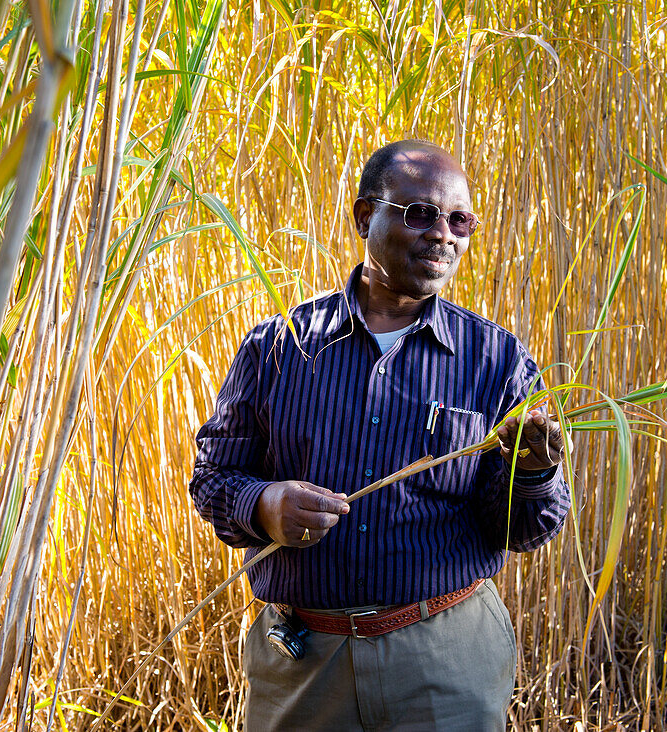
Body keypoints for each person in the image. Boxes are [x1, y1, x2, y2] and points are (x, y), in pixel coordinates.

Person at [189, 140, 571, 731]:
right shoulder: (278, 348)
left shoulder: (496, 360)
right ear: (366, 216)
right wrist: (265, 506)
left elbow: (523, 529)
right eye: (419, 213)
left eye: (459, 220)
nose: (442, 234)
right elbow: (213, 478)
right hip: (305, 666)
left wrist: (534, 475)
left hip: (443, 663)